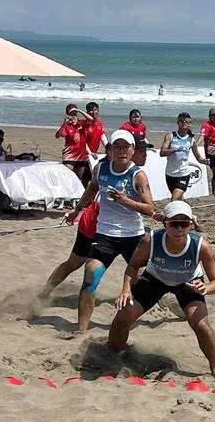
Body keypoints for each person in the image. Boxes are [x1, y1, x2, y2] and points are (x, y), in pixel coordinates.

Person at [108, 201, 215, 375]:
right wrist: (126, 290)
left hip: (188, 283)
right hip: (155, 279)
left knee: (201, 325)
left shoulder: (202, 246)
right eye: (173, 224)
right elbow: (132, 266)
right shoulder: (151, 240)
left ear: (190, 224)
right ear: (165, 223)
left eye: (184, 224)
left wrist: (206, 287)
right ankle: (114, 355)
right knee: (122, 318)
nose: (179, 229)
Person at [65, 130, 155, 335]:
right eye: (117, 146)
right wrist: (77, 210)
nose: (122, 150)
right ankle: (80, 330)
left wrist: (126, 201)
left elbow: (150, 209)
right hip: (105, 234)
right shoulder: (101, 168)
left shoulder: (137, 175)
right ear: (111, 150)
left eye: (126, 147)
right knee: (90, 275)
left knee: (147, 280)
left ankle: (170, 305)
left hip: (133, 235)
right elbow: (92, 188)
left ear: (132, 150)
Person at [160, 113, 204, 200]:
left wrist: (204, 161)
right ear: (177, 122)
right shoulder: (170, 136)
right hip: (170, 174)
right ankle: (185, 211)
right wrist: (175, 150)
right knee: (179, 198)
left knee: (174, 199)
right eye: (181, 121)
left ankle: (174, 213)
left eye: (186, 121)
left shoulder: (191, 140)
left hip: (184, 174)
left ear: (190, 123)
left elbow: (198, 157)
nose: (184, 122)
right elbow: (162, 153)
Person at [56, 103, 92, 185]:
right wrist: (64, 124)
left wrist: (79, 110)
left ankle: (75, 197)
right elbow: (57, 136)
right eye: (70, 113)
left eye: (75, 113)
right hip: (69, 157)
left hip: (81, 157)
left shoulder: (82, 123)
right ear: (67, 114)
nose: (73, 115)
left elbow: (91, 119)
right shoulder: (66, 125)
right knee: (67, 180)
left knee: (77, 181)